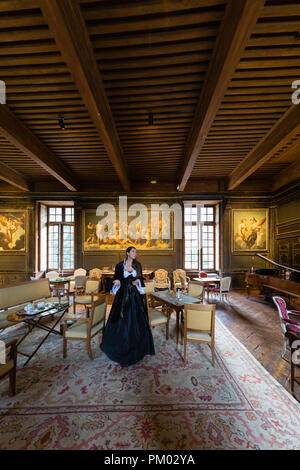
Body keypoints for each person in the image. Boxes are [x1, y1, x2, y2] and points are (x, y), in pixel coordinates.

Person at [100, 246, 155, 367]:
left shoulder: (138, 265)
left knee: (137, 319)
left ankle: (139, 345)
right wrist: (118, 281)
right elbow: (117, 278)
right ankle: (118, 344)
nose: (135, 253)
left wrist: (138, 281)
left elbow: (140, 278)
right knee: (120, 318)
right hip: (122, 295)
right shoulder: (120, 265)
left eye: (135, 252)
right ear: (128, 253)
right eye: (133, 252)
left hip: (134, 296)